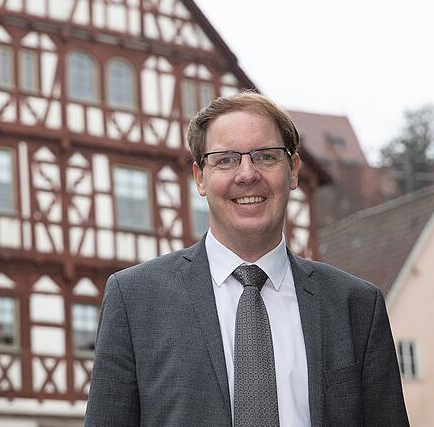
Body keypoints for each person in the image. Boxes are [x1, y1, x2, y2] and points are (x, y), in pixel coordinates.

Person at [84, 93, 408, 426]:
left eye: (266, 157)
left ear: (293, 170)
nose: (247, 174)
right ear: (200, 177)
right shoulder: (135, 300)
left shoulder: (356, 306)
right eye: (225, 160)